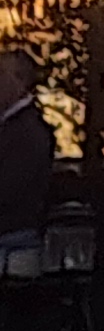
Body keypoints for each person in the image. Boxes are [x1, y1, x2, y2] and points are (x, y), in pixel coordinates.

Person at [0, 48, 53, 241]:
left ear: (20, 81)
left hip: (12, 234)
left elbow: (11, 187)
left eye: (1, 73)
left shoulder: (28, 131)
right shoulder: (16, 127)